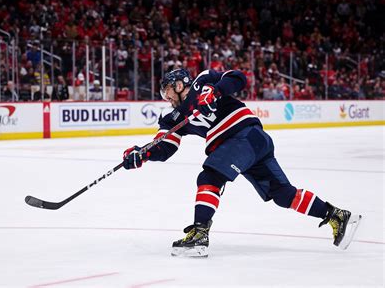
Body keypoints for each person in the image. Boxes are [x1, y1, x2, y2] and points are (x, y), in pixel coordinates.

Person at [122, 68, 361, 257]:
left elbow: (238, 78)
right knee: (282, 194)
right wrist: (142, 153)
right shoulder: (173, 118)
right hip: (248, 145)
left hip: (243, 136)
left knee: (210, 177)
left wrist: (214, 91)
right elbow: (165, 147)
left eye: (168, 91)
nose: (166, 98)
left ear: (180, 83)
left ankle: (200, 233)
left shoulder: (202, 81)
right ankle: (336, 215)